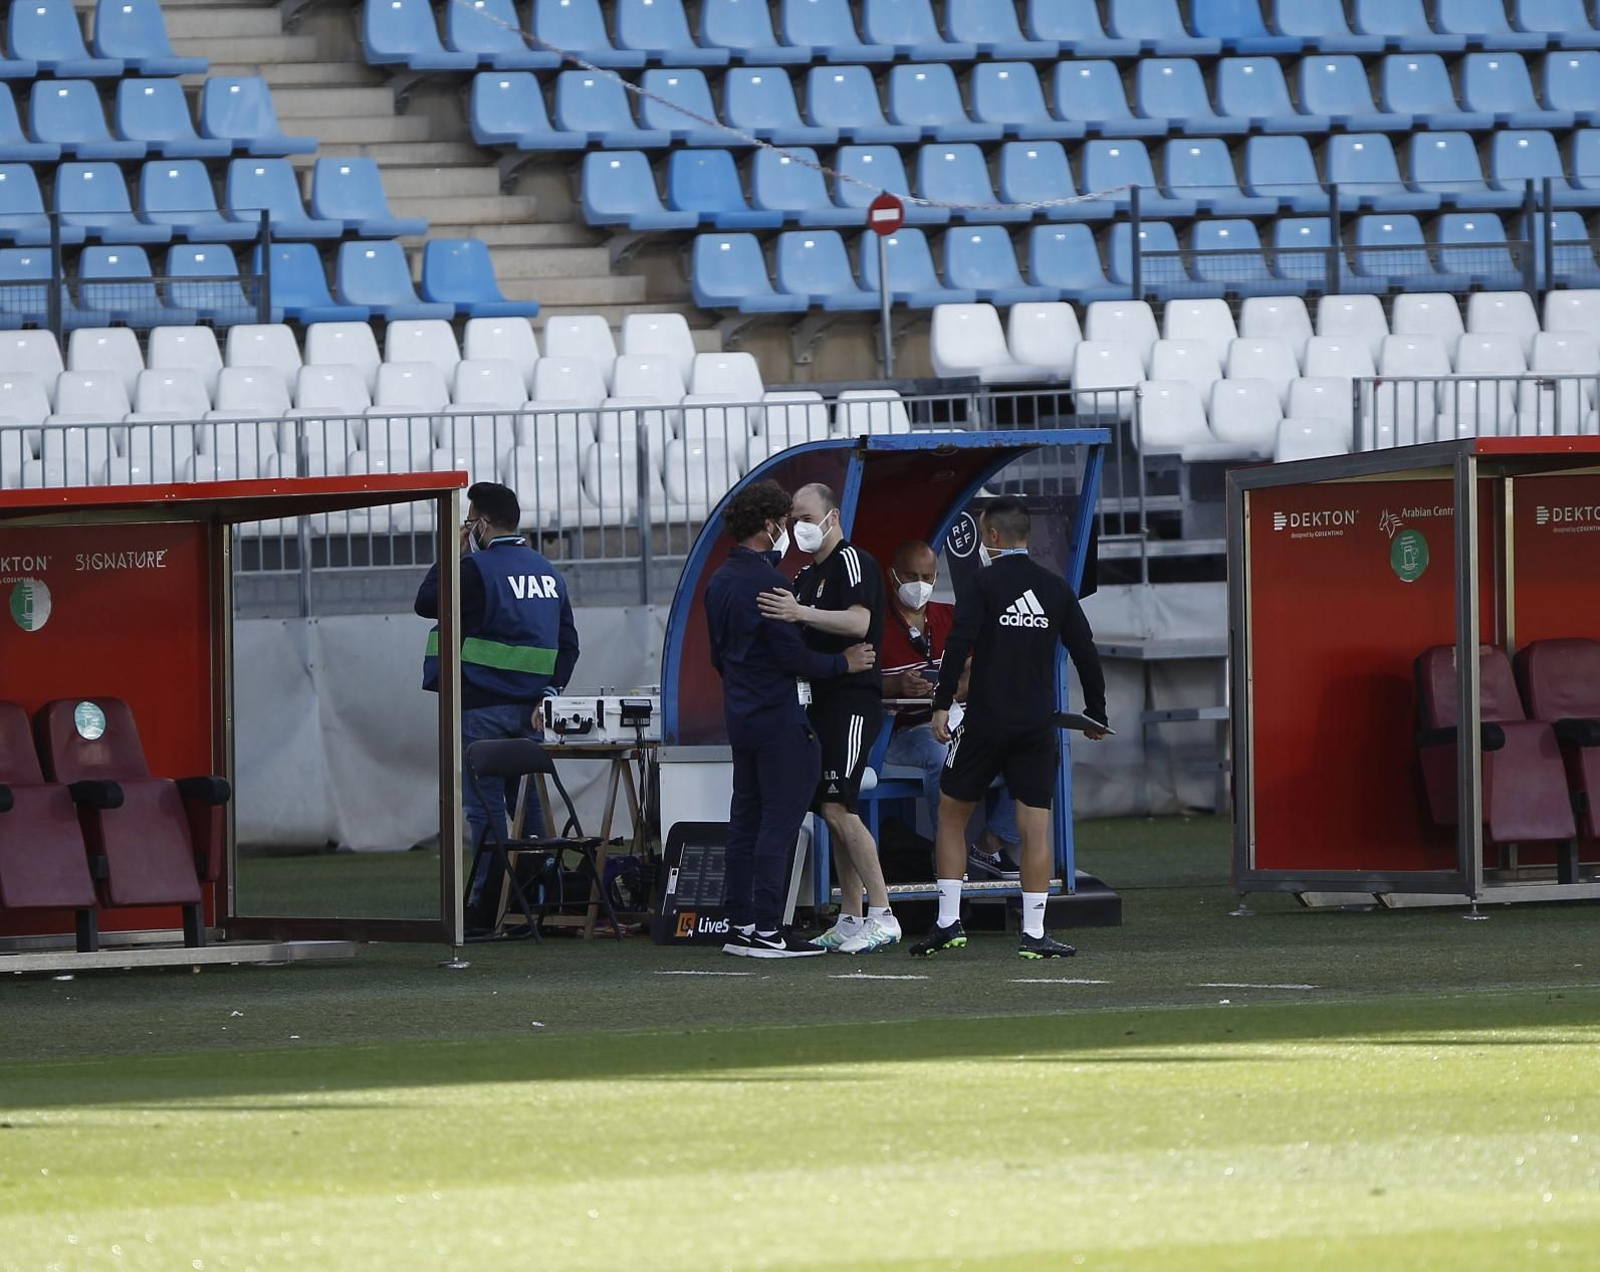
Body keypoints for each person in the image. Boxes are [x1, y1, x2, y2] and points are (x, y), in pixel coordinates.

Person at [909, 497, 1108, 961]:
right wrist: (1096, 712)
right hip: (1036, 725)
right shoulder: (1055, 588)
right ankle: (1035, 934)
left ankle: (948, 923)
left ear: (993, 537)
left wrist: (941, 705)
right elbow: (1086, 650)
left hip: (983, 722)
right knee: (1034, 828)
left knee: (952, 817)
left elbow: (959, 644)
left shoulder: (982, 583)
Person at [704, 479, 875, 958]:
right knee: (777, 825)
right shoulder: (771, 584)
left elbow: (718, 656)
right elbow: (793, 660)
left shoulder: (719, 581)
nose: (791, 529)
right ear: (769, 525)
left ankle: (738, 925)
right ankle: (767, 929)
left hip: (741, 714)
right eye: (787, 520)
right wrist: (845, 664)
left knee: (745, 821)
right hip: (780, 717)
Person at [416, 481, 579, 932]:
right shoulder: (549, 572)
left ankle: (488, 906)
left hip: (481, 706)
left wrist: (452, 548)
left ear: (482, 523)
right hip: (531, 710)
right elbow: (568, 645)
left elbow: (425, 602)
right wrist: (549, 695)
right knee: (527, 809)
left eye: (471, 521)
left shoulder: (476, 569)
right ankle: (536, 899)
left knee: (484, 809)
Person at [757, 483, 900, 955]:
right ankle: (850, 915)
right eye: (792, 518)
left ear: (831, 516)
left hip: (852, 702)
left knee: (840, 808)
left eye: (805, 516)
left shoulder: (852, 562)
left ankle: (883, 914)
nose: (798, 526)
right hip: (817, 702)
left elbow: (859, 623)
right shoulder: (801, 575)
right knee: (832, 811)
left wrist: (801, 612)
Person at [879, 539, 1023, 879]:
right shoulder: (873, 623)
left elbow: (979, 666)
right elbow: (854, 680)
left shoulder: (950, 616)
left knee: (1032, 745)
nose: (920, 584)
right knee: (941, 752)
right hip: (901, 730)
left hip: (964, 720)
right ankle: (951, 857)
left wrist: (955, 688)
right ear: (893, 576)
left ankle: (989, 845)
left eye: (927, 576)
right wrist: (896, 686)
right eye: (911, 575)